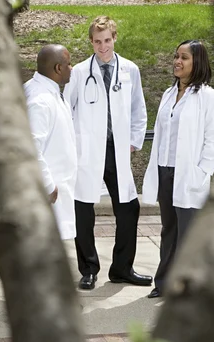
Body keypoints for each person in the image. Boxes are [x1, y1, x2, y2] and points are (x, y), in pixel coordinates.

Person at [63, 16, 152, 290]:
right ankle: (88, 269)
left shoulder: (130, 70)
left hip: (117, 149)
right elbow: (67, 109)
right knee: (82, 209)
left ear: (115, 38)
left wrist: (134, 141)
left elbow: (138, 109)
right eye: (97, 41)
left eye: (107, 40)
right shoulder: (78, 72)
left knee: (129, 208)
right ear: (91, 41)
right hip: (87, 151)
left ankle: (122, 268)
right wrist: (71, 146)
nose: (103, 46)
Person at [142, 40, 214, 299]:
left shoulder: (209, 97)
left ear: (197, 62)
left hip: (189, 174)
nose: (177, 61)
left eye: (184, 58)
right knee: (169, 230)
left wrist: (201, 173)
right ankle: (163, 283)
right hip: (166, 170)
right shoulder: (168, 94)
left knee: (189, 234)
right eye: (176, 56)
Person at [24, 44, 77, 240]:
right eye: (68, 64)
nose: (72, 68)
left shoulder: (45, 91)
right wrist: (48, 185)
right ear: (58, 68)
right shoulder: (40, 100)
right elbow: (30, 147)